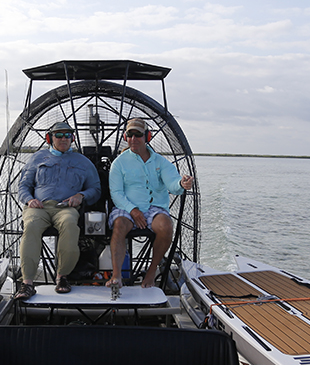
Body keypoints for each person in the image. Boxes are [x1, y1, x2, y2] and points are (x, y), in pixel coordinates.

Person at [14, 121, 101, 300]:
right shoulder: (37, 158)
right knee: (30, 226)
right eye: (58, 135)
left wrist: (81, 195)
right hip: (39, 207)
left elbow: (96, 189)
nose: (63, 139)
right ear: (50, 138)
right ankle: (27, 283)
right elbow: (23, 186)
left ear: (72, 138)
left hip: (66, 208)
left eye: (67, 135)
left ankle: (62, 277)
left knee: (70, 225)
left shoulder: (82, 162)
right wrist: (29, 200)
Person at [107, 117, 193, 292]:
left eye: (138, 135)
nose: (133, 139)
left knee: (166, 225)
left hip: (154, 209)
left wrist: (182, 183)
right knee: (119, 225)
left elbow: (173, 183)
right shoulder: (119, 163)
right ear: (125, 137)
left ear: (147, 136)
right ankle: (116, 276)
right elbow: (116, 193)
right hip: (126, 207)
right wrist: (133, 210)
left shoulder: (161, 162)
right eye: (130, 135)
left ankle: (151, 271)